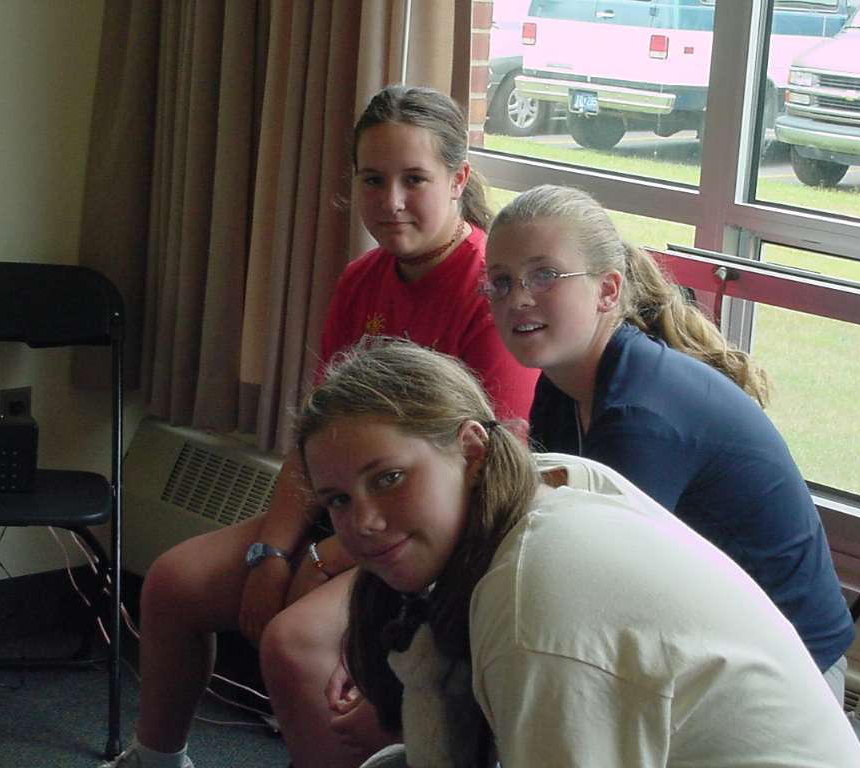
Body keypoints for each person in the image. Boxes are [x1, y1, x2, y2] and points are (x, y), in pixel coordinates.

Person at [102, 86, 537, 768]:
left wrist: (326, 559)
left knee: (293, 644)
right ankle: (155, 757)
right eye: (373, 180)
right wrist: (271, 554)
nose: (391, 201)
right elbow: (317, 446)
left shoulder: (488, 290)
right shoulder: (362, 279)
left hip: (442, 536)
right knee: (172, 583)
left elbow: (485, 481)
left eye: (414, 179)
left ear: (457, 180)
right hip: (348, 511)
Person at [294, 338, 860, 768]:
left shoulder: (534, 599)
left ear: (471, 450)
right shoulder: (547, 482)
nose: (363, 522)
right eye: (338, 500)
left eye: (390, 478)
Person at [482, 184, 855, 701]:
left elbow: (593, 586)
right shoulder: (562, 384)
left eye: (544, 275)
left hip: (789, 678)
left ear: (607, 290)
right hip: (711, 644)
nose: (518, 298)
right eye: (500, 281)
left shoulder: (639, 415)